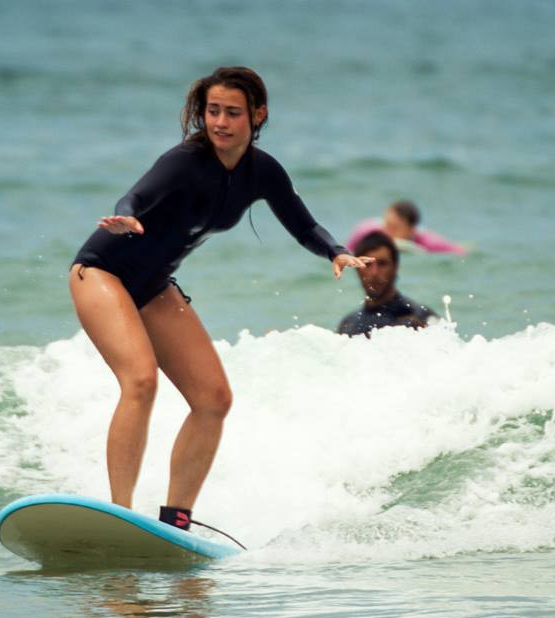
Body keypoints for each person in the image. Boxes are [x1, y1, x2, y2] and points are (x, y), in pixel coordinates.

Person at [69, 66, 370, 530]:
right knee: (141, 381)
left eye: (232, 113)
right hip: (101, 272)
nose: (220, 122)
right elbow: (135, 195)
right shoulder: (184, 162)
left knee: (213, 398)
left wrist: (338, 251)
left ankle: (176, 519)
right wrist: (124, 217)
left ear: (258, 115)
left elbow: (303, 224)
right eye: (213, 111)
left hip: (153, 285)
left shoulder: (262, 171)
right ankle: (120, 513)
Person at [337, 231, 438, 337]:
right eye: (367, 264)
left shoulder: (419, 317)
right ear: (357, 269)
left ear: (395, 267)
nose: (374, 273)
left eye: (382, 264)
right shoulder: (348, 325)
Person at [346, 199, 467, 255]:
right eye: (386, 225)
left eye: (394, 228)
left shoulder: (430, 242)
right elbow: (347, 250)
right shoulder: (367, 231)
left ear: (411, 230)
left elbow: (460, 252)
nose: (387, 232)